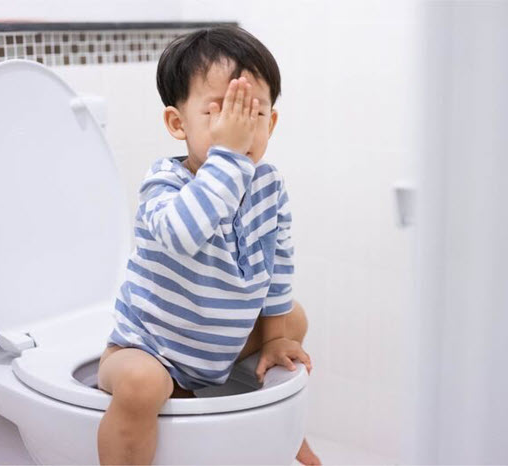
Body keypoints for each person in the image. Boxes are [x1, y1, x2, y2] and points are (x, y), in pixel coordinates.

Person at [96, 24, 321, 465]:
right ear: (177, 123)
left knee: (292, 318)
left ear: (271, 122)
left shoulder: (268, 185)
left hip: (220, 346)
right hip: (150, 348)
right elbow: (183, 234)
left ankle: (280, 431)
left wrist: (275, 338)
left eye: (252, 113)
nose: (239, 128)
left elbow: (278, 265)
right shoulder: (164, 184)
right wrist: (229, 159)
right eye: (220, 114)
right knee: (142, 385)